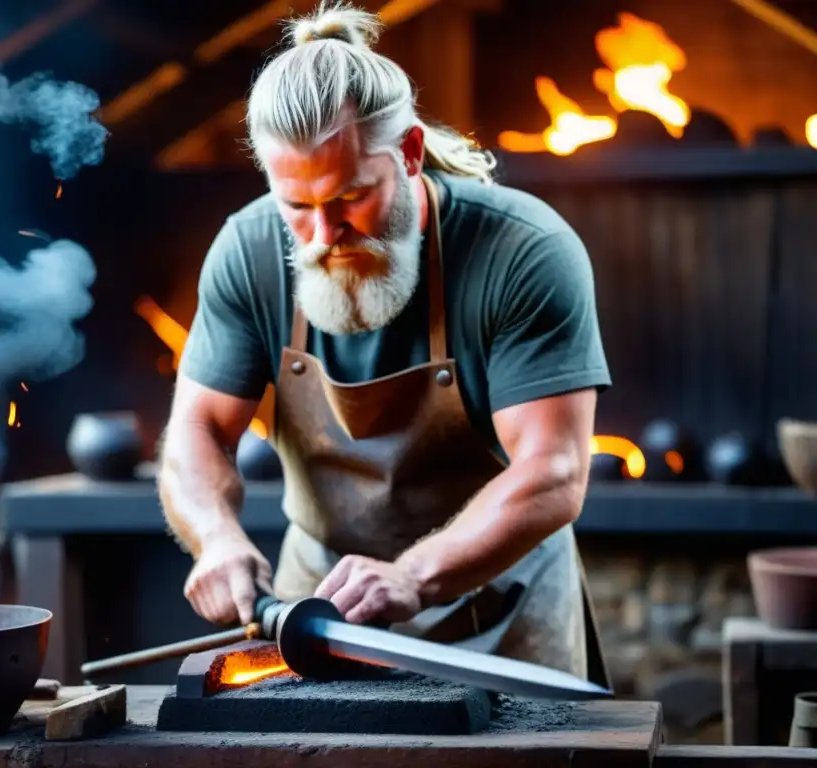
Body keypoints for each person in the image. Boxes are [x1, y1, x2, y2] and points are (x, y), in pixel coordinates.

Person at [157, 0, 611, 682]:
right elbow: (195, 431)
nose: (321, 235)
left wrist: (414, 576)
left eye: (349, 198)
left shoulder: (525, 250)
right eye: (297, 206)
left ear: (409, 152)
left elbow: (552, 471)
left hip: (502, 613)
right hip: (321, 615)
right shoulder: (247, 250)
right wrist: (215, 540)